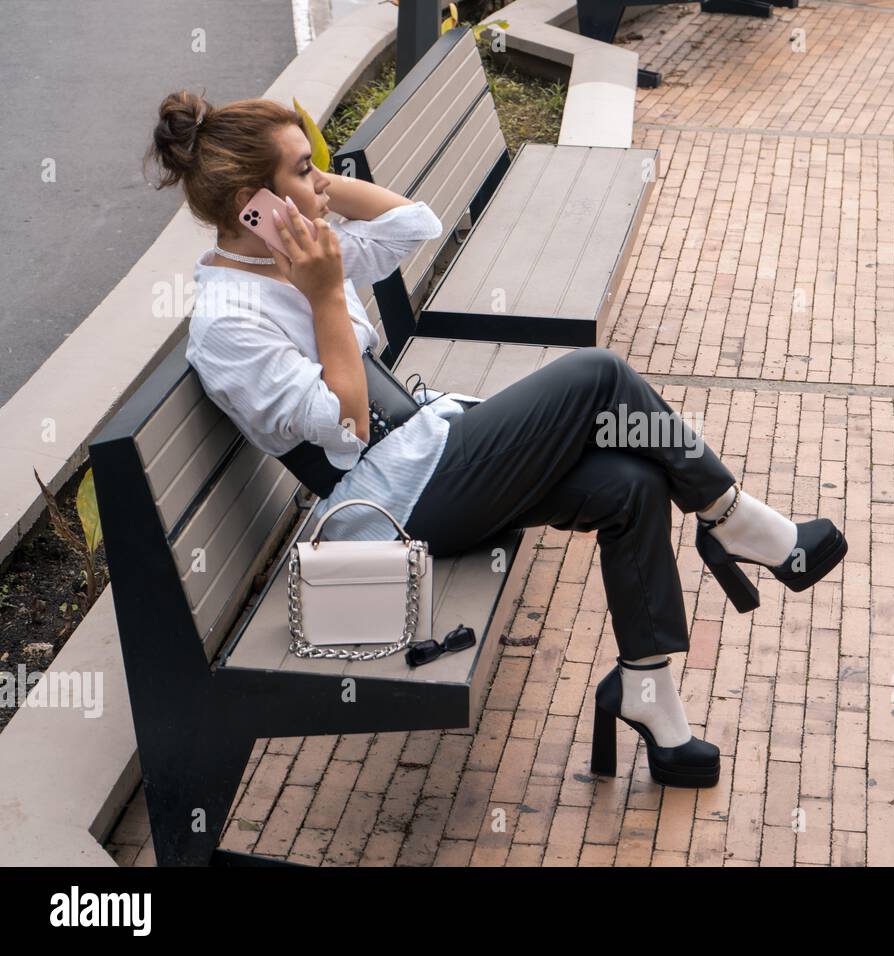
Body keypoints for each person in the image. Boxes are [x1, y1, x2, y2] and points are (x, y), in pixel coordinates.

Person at [144, 91, 847, 789]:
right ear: (250, 205)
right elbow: (348, 422)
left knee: (633, 487)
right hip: (397, 508)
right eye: (305, 169)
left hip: (430, 454)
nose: (321, 185)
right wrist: (326, 294)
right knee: (598, 374)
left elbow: (412, 223)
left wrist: (313, 194)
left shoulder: (292, 254)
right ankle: (734, 519)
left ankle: (647, 688)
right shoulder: (230, 322)